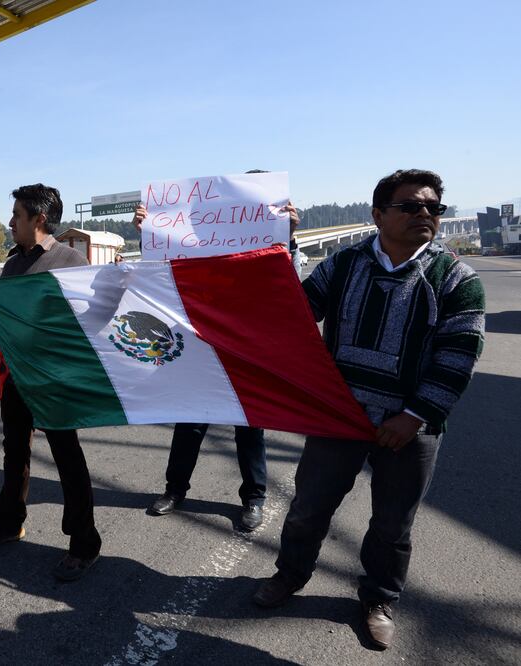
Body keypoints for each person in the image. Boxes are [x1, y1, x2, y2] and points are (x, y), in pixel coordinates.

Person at [252, 170, 485, 650]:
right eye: (411, 206)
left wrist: (414, 416)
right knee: (308, 509)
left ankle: (379, 599)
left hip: (411, 428)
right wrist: (282, 244)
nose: (425, 214)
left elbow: (459, 357)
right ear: (378, 215)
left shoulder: (457, 279)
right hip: (340, 418)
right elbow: (292, 313)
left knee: (392, 526)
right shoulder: (343, 265)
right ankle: (289, 575)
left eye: (434, 208)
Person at [131, 198, 301, 532]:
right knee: (190, 424)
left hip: (246, 352)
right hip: (202, 349)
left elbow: (288, 287)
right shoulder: (204, 244)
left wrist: (289, 238)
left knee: (249, 429)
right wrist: (148, 235)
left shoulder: (269, 251)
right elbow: (165, 270)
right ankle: (175, 490)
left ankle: (254, 498)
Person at [0, 183, 102, 582]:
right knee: (15, 452)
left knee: (67, 458)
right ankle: (8, 523)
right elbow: (9, 324)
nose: (10, 223)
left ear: (38, 219)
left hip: (55, 379)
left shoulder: (71, 262)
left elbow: (87, 322)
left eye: (16, 216)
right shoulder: (13, 265)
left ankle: (84, 543)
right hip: (17, 375)